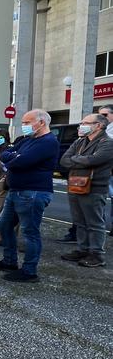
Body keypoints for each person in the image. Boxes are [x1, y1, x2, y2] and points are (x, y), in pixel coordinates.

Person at [0, 109, 59, 283]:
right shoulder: (27, 140)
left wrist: (13, 158)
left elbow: (21, 162)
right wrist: (13, 156)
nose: (24, 126)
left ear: (41, 122)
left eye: (27, 122)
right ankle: (10, 261)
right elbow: (6, 154)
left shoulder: (48, 142)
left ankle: (29, 271)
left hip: (32, 192)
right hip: (16, 190)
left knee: (30, 232)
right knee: (3, 224)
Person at [59, 114, 113, 268]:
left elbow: (94, 160)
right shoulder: (80, 142)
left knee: (94, 223)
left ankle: (96, 254)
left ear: (99, 125)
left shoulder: (107, 142)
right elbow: (64, 160)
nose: (81, 126)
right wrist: (83, 159)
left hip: (95, 188)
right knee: (80, 221)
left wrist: (76, 159)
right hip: (75, 185)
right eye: (81, 122)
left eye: (86, 123)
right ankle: (83, 249)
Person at [96, 104, 113, 238]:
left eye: (105, 115)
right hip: (99, 170)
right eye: (100, 115)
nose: (102, 117)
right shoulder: (99, 129)